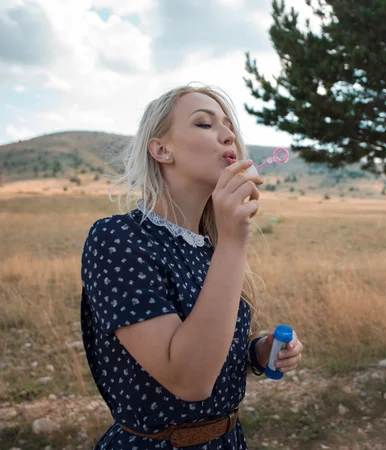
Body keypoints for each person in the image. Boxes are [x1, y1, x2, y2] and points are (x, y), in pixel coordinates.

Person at [80, 84, 304, 449]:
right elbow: (190, 380)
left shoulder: (209, 245)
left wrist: (257, 352)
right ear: (161, 149)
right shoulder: (119, 238)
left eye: (228, 125)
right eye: (204, 123)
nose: (228, 133)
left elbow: (209, 346)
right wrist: (234, 241)